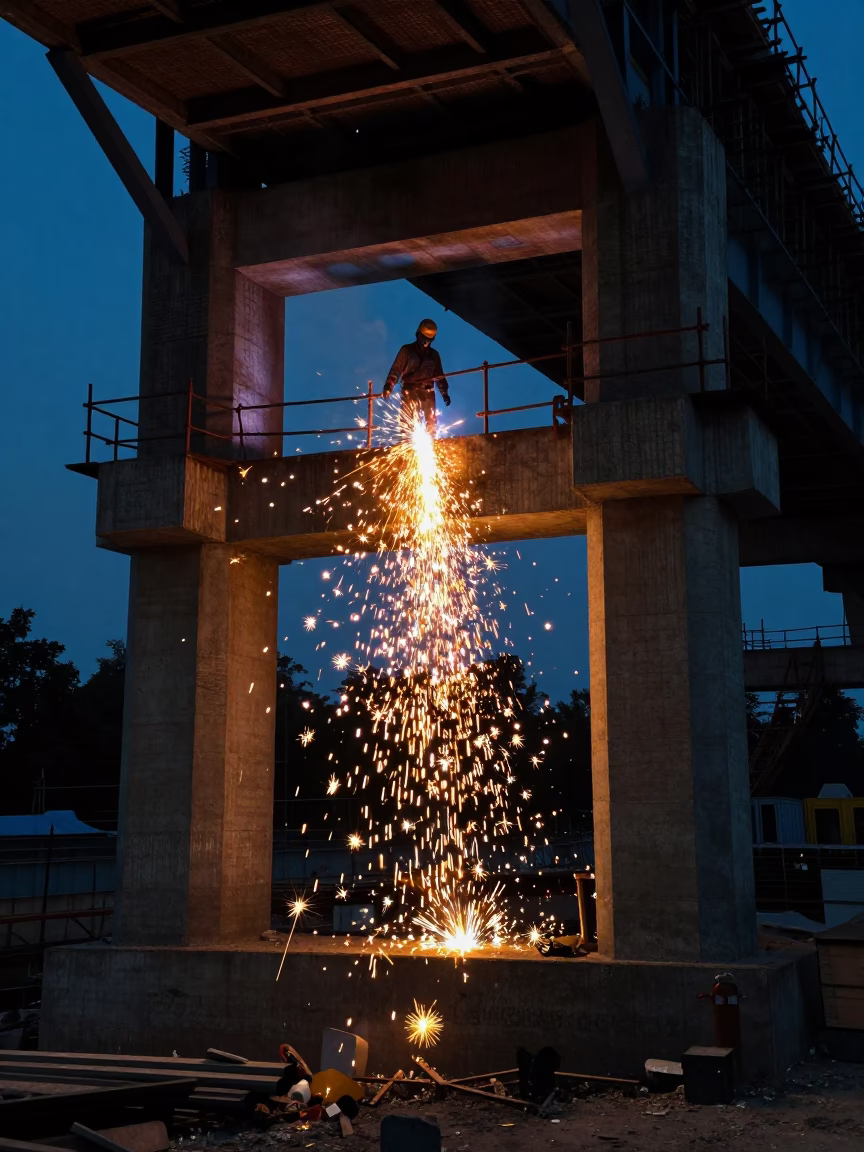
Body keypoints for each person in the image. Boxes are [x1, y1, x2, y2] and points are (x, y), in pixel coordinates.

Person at [382, 319, 450, 434]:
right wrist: (389, 385)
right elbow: (396, 370)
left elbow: (439, 376)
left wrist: (444, 393)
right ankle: (407, 445)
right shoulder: (407, 351)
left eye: (429, 340)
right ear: (418, 334)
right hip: (410, 391)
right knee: (408, 425)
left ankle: (430, 445)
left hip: (428, 392)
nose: (426, 342)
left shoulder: (434, 355)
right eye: (424, 338)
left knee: (431, 425)